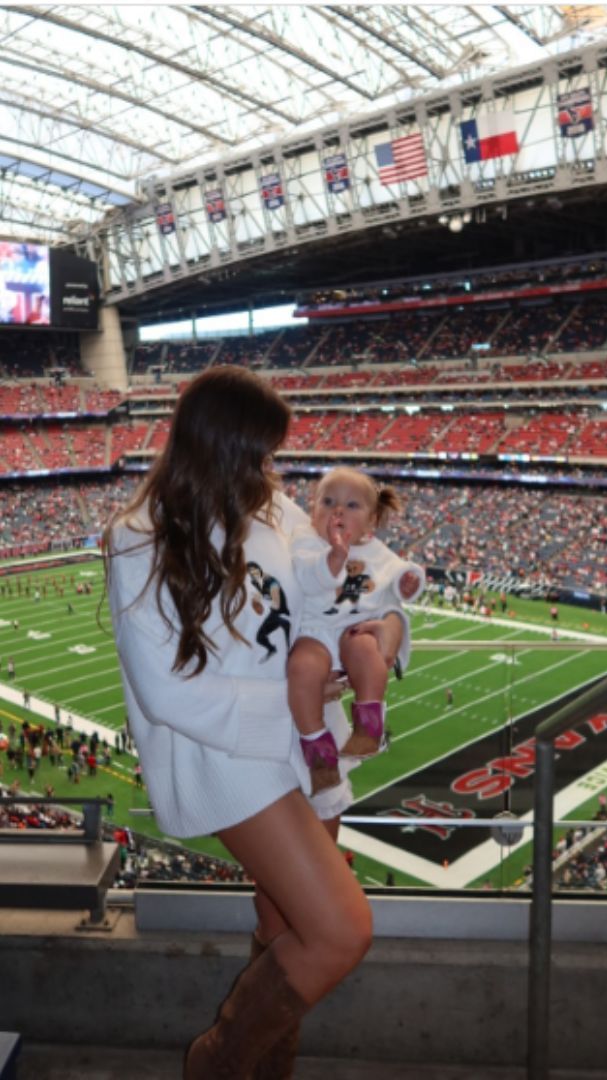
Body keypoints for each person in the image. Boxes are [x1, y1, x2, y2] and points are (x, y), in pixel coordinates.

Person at [105, 366, 410, 1076]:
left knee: (283, 928)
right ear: (219, 445)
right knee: (338, 932)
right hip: (232, 756)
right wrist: (290, 711)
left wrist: (371, 635)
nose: (271, 469)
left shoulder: (270, 506)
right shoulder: (137, 539)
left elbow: (336, 585)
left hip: (307, 742)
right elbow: (168, 693)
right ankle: (212, 1064)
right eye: (259, 453)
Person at [287, 467, 423, 792]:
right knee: (301, 667)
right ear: (312, 508)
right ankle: (317, 747)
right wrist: (332, 559)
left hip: (354, 628)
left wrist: (409, 583)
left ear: (371, 520)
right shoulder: (305, 540)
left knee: (364, 649)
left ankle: (369, 725)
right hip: (315, 631)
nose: (338, 511)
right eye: (328, 501)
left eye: (352, 506)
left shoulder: (377, 551)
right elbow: (305, 575)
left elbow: (396, 581)